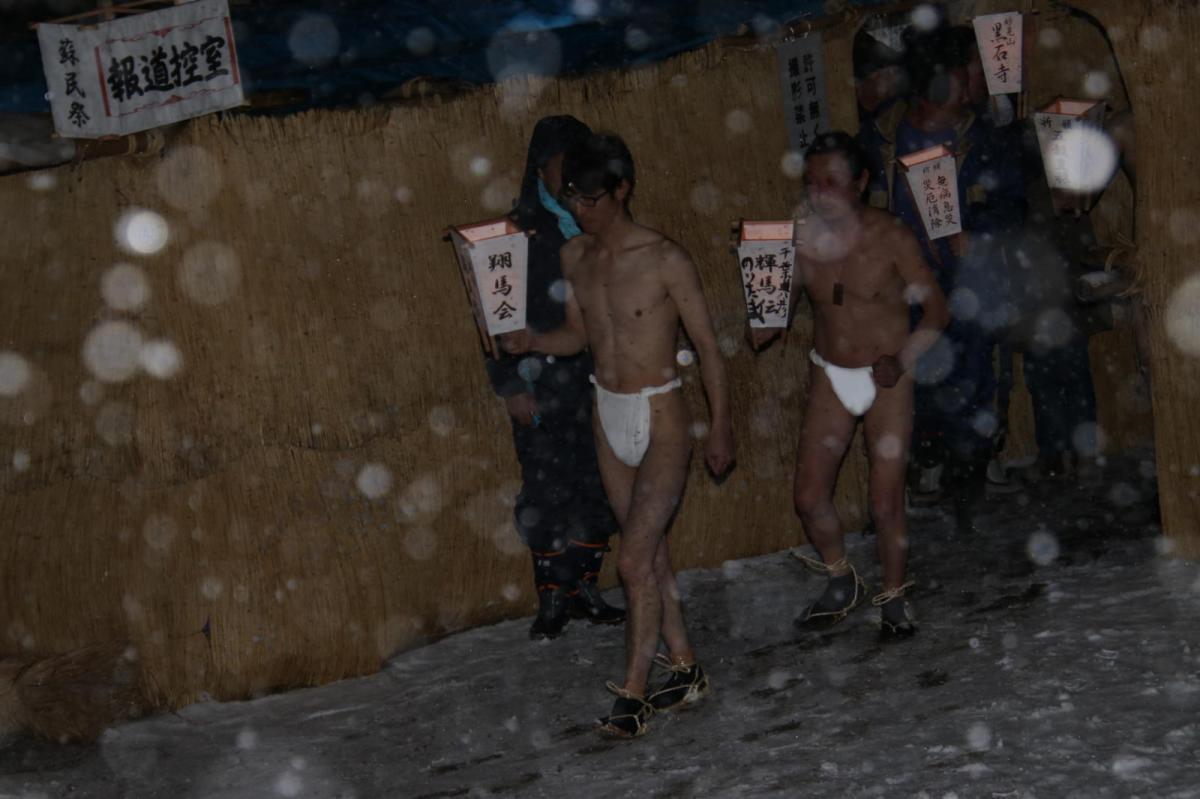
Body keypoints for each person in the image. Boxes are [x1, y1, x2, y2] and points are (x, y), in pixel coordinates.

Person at [500, 133, 735, 738]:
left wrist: (723, 427)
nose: (581, 210)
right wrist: (529, 341)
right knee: (648, 553)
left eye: (592, 198)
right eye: (572, 199)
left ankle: (632, 694)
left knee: (632, 560)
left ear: (624, 189)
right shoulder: (576, 258)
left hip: (660, 415)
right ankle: (684, 667)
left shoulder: (665, 258)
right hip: (608, 411)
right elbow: (579, 338)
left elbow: (707, 348)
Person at [750, 132, 948, 639]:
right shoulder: (802, 237)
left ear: (860, 182)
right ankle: (841, 578)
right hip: (830, 371)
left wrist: (902, 360)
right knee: (809, 496)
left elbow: (936, 311)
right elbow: (782, 306)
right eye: (813, 183)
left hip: (888, 376)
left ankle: (896, 597)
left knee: (885, 501)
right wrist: (765, 314)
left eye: (833, 182)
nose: (821, 193)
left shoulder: (891, 235)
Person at [858, 23, 1025, 530]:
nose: (969, 82)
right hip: (904, 283)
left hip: (968, 281)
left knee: (975, 367)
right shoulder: (885, 136)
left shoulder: (983, 137)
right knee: (916, 371)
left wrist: (981, 232)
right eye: (959, 72)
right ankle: (927, 459)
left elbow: (1012, 202)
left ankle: (972, 461)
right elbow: (857, 198)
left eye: (968, 71)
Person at [486, 115, 624, 640]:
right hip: (539, 378)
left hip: (600, 377)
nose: (568, 172)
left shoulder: (600, 222)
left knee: (597, 481)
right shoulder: (513, 234)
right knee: (545, 487)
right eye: (560, 162)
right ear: (539, 169)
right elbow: (494, 318)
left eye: (578, 159)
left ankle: (586, 586)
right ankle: (551, 597)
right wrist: (511, 385)